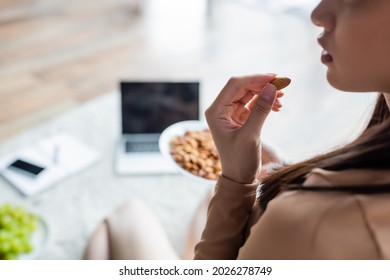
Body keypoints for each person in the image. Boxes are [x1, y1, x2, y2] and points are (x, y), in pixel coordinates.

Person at [85, 0, 390, 260]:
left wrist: (236, 179)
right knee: (211, 197)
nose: (318, 13)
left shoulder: (310, 220)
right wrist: (245, 178)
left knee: (125, 215)